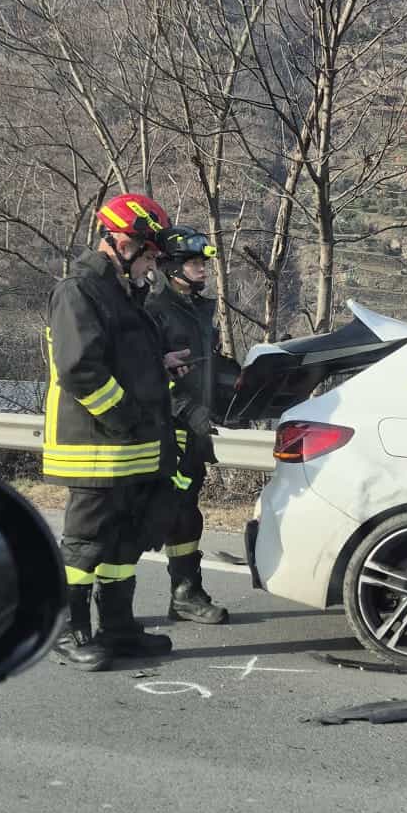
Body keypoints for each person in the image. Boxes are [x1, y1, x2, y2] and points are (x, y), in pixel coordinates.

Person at [43, 192, 179, 671]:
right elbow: (81, 370)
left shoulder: (123, 295)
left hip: (131, 448)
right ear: (122, 242)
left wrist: (159, 366)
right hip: (97, 446)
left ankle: (117, 627)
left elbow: (122, 361)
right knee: (85, 544)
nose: (153, 265)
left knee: (125, 541)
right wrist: (125, 418)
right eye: (149, 254)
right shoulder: (78, 290)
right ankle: (64, 630)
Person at [147, 226, 230, 626]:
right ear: (174, 267)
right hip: (164, 432)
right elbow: (148, 373)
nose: (203, 269)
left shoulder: (197, 310)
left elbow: (203, 369)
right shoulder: (154, 309)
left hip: (192, 433)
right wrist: (189, 411)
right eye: (196, 262)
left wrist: (235, 397)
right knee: (148, 516)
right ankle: (99, 609)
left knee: (186, 514)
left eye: (204, 262)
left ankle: (185, 593)